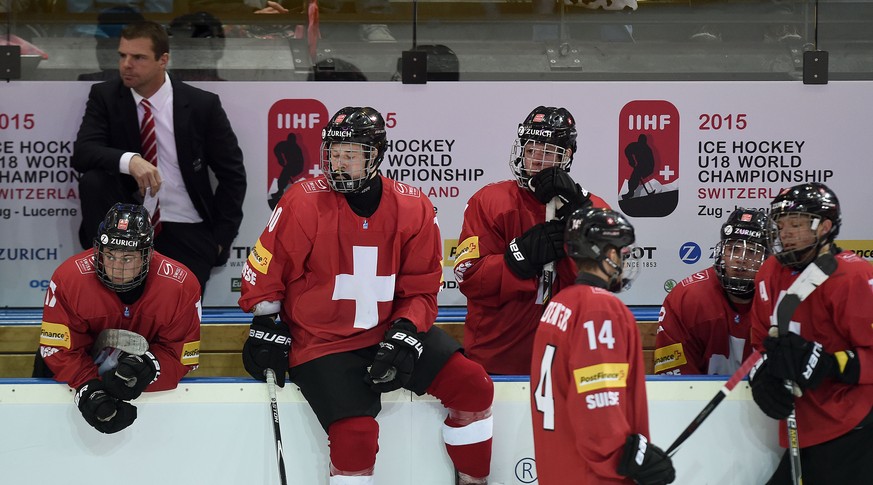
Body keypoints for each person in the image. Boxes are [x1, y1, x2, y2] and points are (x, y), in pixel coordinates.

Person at [238, 107, 496, 485]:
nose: (339, 164)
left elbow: (421, 288)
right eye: (333, 153)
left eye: (351, 154)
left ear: (376, 155)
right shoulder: (303, 202)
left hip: (387, 331)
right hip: (322, 343)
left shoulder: (413, 206)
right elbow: (265, 271)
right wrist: (263, 323)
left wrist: (405, 330)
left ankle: (474, 481)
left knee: (473, 386)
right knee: (356, 436)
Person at [72, 20, 247, 292]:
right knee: (93, 180)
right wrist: (131, 161)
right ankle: (104, 256)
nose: (127, 64)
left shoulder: (201, 105)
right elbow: (83, 153)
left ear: (162, 59)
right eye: (122, 55)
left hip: (186, 224)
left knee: (176, 318)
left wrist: (220, 240)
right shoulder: (105, 96)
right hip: (125, 230)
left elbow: (232, 175)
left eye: (138, 57)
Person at [453, 105, 610, 375]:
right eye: (530, 149)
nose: (536, 159)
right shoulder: (490, 201)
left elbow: (607, 280)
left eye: (548, 152)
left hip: (572, 359)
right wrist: (518, 258)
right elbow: (468, 276)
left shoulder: (593, 209)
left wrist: (580, 220)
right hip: (498, 358)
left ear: (567, 155)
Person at [530, 207, 675, 485]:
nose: (624, 259)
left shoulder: (561, 303)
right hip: (594, 476)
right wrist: (630, 458)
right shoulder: (600, 309)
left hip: (558, 470)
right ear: (608, 255)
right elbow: (598, 400)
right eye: (621, 251)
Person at [34, 203, 201, 434]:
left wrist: (148, 367)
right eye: (109, 255)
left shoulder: (180, 285)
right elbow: (58, 348)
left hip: (140, 386)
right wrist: (89, 387)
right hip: (73, 376)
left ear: (147, 254)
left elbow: (181, 354)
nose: (115, 267)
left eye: (127, 258)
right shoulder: (69, 279)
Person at [748, 182, 873, 485]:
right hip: (803, 429)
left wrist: (832, 364)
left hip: (854, 426)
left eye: (796, 224)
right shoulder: (769, 272)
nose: (785, 233)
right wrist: (762, 376)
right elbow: (760, 343)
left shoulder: (854, 276)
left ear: (825, 227)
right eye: (780, 225)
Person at [653, 207, 769, 375]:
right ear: (721, 252)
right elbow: (675, 382)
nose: (740, 259)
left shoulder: (778, 296)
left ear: (767, 258)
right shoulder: (687, 298)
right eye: (733, 249)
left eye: (751, 252)